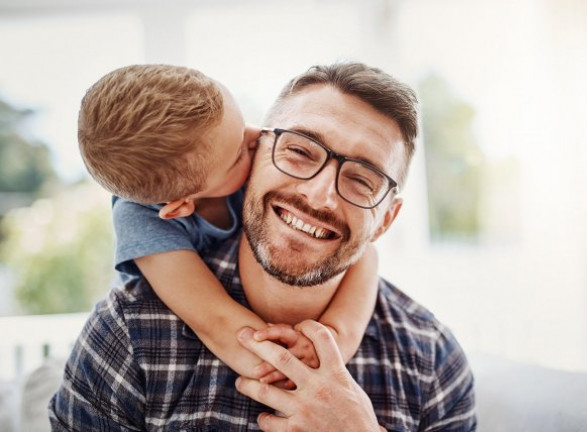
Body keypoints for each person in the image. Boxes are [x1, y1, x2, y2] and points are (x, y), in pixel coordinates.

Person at [50, 62, 476, 431]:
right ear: (264, 156)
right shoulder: (128, 330)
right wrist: (277, 363)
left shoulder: (433, 362)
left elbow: (367, 256)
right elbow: (214, 319)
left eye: (362, 178)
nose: (319, 195)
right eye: (299, 151)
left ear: (386, 219)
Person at [75, 64, 379, 384]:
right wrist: (293, 364)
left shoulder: (243, 168)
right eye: (238, 152)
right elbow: (217, 322)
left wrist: (337, 337)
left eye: (243, 122)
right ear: (180, 207)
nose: (258, 136)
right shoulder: (140, 220)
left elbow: (366, 253)